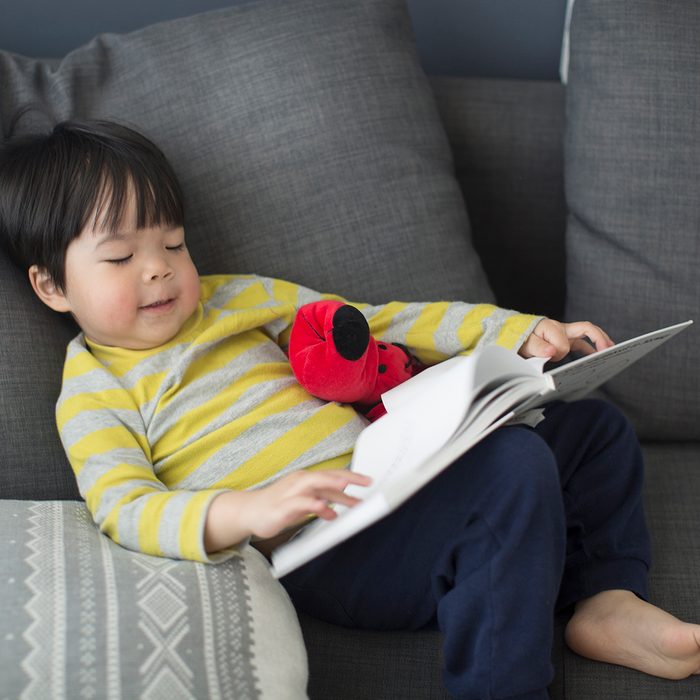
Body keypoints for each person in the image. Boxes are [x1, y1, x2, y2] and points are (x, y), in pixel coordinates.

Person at [1, 119, 699, 700]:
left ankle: (604, 598)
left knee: (591, 427)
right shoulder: (95, 390)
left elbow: (378, 322)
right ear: (51, 286)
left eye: (172, 243)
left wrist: (509, 330)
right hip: (328, 546)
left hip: (398, 471)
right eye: (120, 257)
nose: (158, 267)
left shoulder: (236, 298)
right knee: (514, 467)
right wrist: (246, 511)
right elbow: (122, 505)